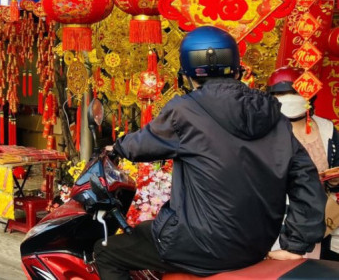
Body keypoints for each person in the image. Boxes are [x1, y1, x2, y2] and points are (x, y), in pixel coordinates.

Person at [94, 26, 325, 279]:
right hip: (254, 247)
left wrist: (117, 147)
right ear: (236, 69)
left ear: (187, 75)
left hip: (197, 245)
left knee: (106, 252)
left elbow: (141, 145)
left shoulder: (185, 111)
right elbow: (306, 180)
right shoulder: (274, 116)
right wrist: (295, 245)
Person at [267, 66, 339, 260]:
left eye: (295, 93)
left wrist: (334, 180)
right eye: (280, 94)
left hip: (320, 215)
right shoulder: (263, 131)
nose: (288, 98)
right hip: (276, 217)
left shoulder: (327, 128)